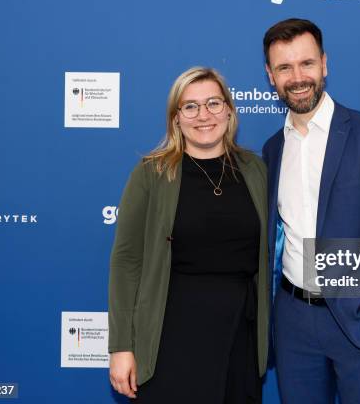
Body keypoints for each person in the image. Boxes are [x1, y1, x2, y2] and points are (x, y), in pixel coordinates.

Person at [261, 18, 360, 403]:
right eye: (284, 67)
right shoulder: (272, 150)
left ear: (325, 64)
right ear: (270, 76)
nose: (298, 77)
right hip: (293, 323)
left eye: (307, 64)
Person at [108, 67, 269, 403]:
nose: (203, 115)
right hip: (169, 331)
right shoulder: (151, 173)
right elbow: (126, 262)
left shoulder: (256, 170)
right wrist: (122, 346)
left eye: (213, 103)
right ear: (176, 118)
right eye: (190, 106)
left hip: (240, 332)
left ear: (229, 109)